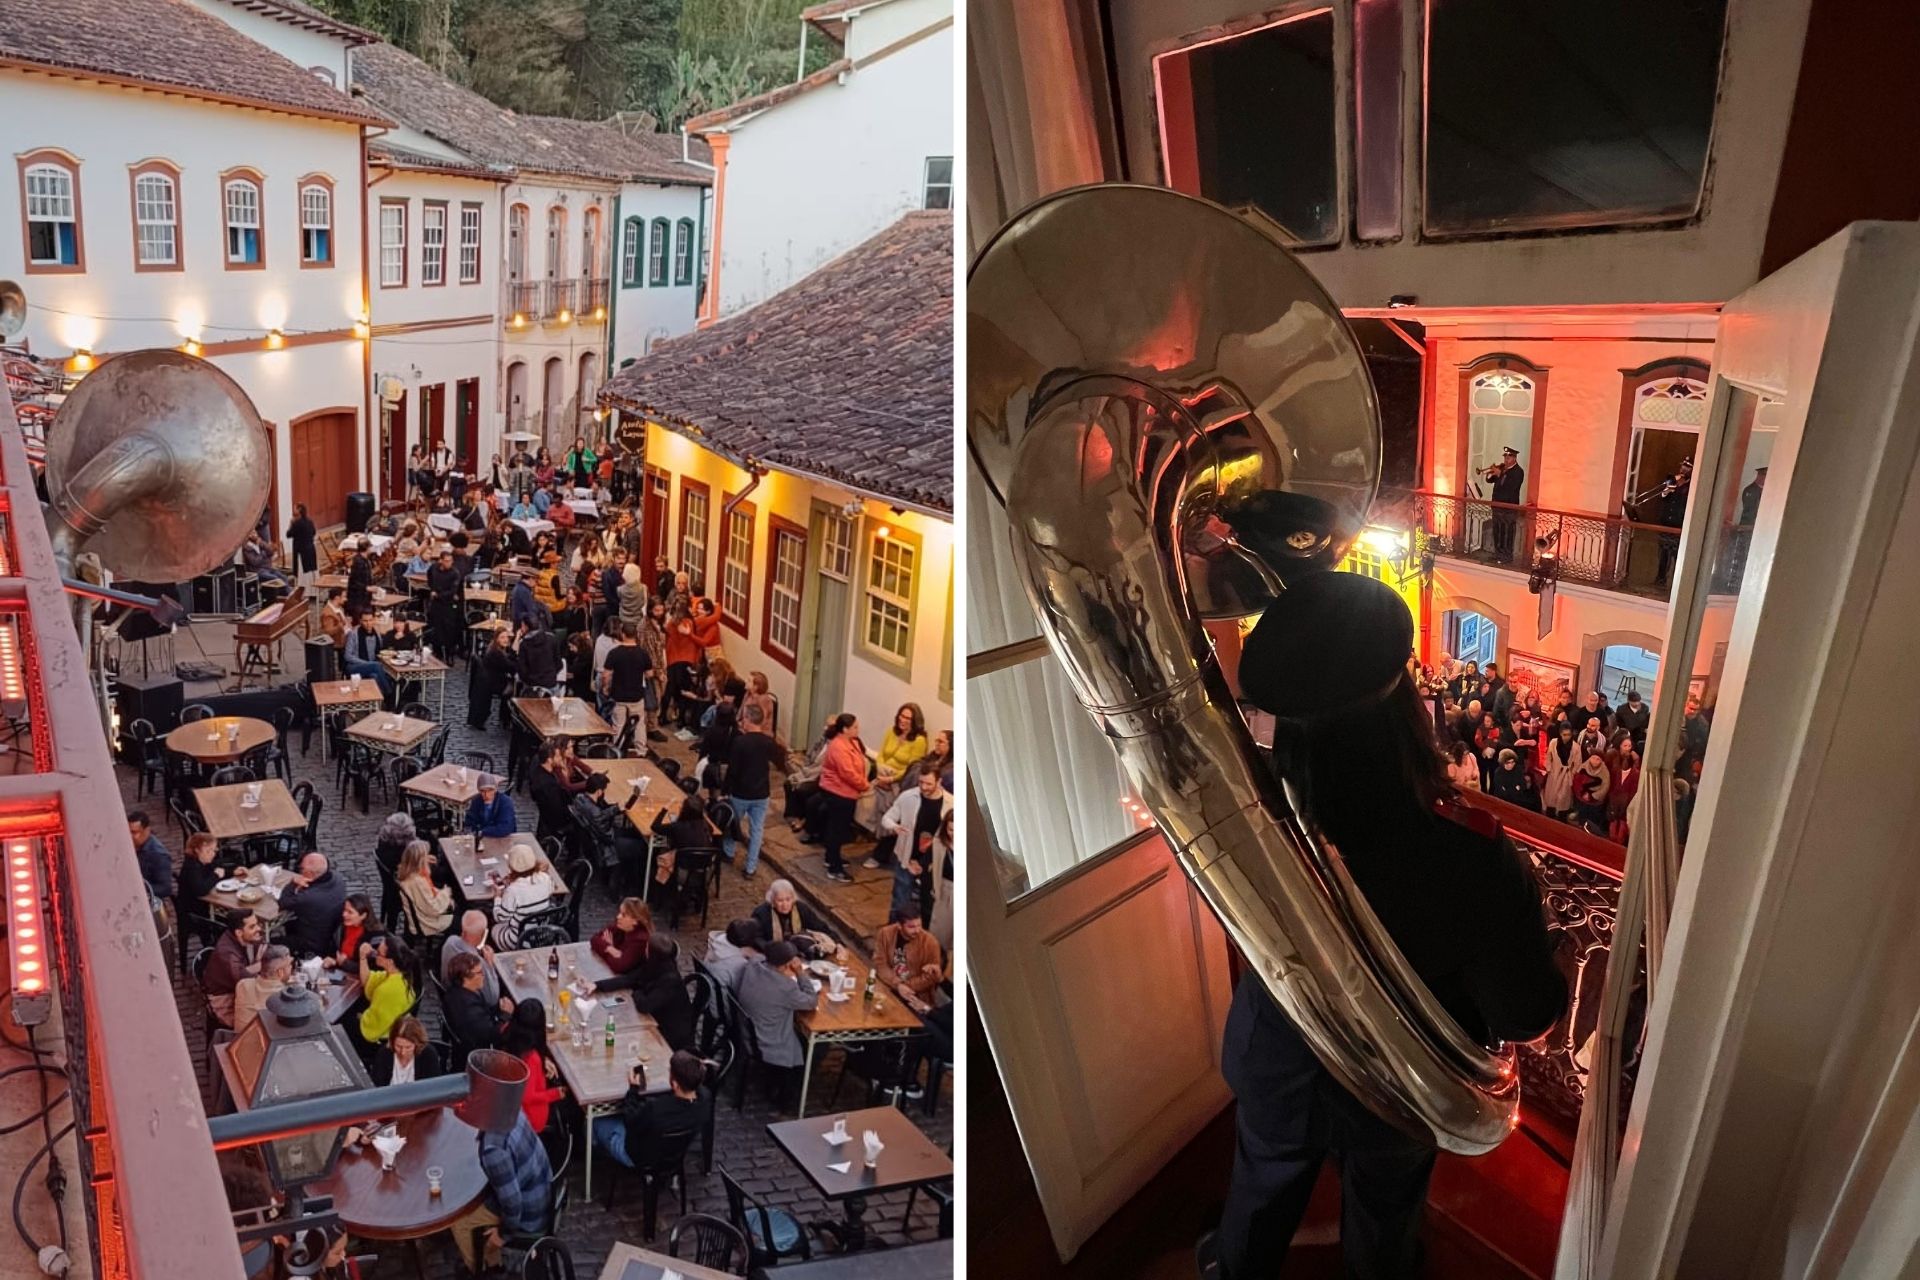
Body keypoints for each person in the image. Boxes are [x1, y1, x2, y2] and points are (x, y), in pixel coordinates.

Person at [1199, 571, 1567, 1280]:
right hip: (1398, 1091)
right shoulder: (1469, 852)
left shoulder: (1247, 822)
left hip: (1275, 1054)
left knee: (1260, 1191)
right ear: (1406, 711)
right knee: (1384, 1219)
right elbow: (1524, 1015)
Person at [451, 1106, 552, 1275]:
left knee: (459, 1220)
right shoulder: (512, 1109)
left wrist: (502, 1236)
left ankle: (481, 1270)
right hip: (541, 1191)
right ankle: (493, 1262)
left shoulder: (493, 1149)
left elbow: (513, 1204)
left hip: (529, 1214)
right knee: (485, 1194)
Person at [593, 1049, 712, 1179]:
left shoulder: (656, 1109)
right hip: (674, 1155)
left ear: (675, 1084)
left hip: (638, 1158)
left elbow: (630, 1121)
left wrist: (633, 1089)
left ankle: (594, 1155)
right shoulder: (705, 1100)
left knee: (596, 1120)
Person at [876, 763, 951, 921]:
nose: (923, 787)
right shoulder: (908, 797)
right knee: (899, 901)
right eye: (921, 782)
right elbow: (887, 818)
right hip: (906, 858)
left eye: (928, 784)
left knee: (928, 905)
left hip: (931, 863)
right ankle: (894, 930)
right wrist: (895, 827)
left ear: (939, 782)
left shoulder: (951, 803)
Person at [595, 935, 694, 1050]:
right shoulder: (655, 964)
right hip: (655, 1019)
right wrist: (597, 985)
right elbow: (630, 979)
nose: (645, 950)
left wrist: (636, 992)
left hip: (670, 1035)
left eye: (647, 948)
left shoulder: (670, 980)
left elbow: (645, 1005)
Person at [723, 702, 781, 878]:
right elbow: (778, 760)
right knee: (757, 831)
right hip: (761, 792)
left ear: (748, 719)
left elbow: (733, 770)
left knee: (732, 824)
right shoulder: (768, 742)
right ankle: (751, 867)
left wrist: (725, 790)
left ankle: (729, 852)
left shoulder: (740, 742)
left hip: (741, 792)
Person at [501, 1000, 568, 1133]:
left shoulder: (507, 1033)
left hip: (509, 1106)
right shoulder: (531, 1058)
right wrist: (556, 1093)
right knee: (573, 1109)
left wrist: (544, 1059)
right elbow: (527, 1097)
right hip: (531, 1118)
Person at [817, 713, 867, 884]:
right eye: (855, 727)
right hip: (839, 792)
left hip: (845, 791)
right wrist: (864, 785)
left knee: (837, 827)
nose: (858, 730)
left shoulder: (851, 742)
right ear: (845, 729)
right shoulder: (839, 746)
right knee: (837, 830)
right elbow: (847, 773)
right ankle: (834, 868)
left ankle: (831, 857)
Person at [354, 934, 418, 1052]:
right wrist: (362, 957)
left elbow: (371, 1029)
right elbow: (368, 981)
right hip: (389, 1028)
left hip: (381, 1040)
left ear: (389, 961)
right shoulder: (398, 975)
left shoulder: (388, 989)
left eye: (378, 953)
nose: (374, 954)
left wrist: (360, 1017)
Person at [873, 908, 943, 1011]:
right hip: (888, 984)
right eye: (911, 927)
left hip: (915, 995)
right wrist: (897, 985)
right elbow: (880, 963)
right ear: (899, 925)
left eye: (919, 925)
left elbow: (931, 976)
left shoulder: (930, 943)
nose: (917, 930)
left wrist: (905, 986)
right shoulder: (885, 934)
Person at [175, 832, 235, 953]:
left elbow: (217, 868)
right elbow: (201, 890)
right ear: (197, 850)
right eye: (208, 851)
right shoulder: (192, 867)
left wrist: (233, 872)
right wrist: (215, 876)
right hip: (195, 914)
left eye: (214, 850)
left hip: (200, 906)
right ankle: (222, 950)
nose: (213, 854)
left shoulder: (202, 862)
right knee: (232, 920)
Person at [279, 853, 347, 959]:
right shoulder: (338, 879)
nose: (300, 871)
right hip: (328, 933)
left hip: (310, 943)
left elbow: (283, 902)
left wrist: (293, 883)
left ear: (310, 874)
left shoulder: (308, 897)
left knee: (271, 944)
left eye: (301, 868)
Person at [491, 842, 557, 949]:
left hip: (518, 940)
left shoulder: (513, 890)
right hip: (541, 935)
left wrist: (497, 897)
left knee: (494, 928)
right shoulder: (545, 878)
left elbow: (500, 918)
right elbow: (550, 889)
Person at [445, 950, 511, 1053]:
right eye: (479, 973)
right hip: (479, 1051)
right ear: (466, 978)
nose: (483, 976)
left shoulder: (456, 991)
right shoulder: (469, 1007)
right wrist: (506, 1014)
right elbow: (491, 1035)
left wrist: (498, 1007)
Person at [601, 621, 653, 748]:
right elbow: (650, 674)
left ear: (622, 634)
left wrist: (605, 687)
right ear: (636, 635)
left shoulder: (614, 653)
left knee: (618, 724)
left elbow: (606, 675)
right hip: (637, 695)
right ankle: (641, 750)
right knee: (639, 725)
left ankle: (618, 749)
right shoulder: (643, 653)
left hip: (619, 696)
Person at [751, 879, 834, 954]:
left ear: (793, 898)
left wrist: (837, 942)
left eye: (788, 899)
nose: (785, 905)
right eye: (780, 900)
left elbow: (819, 925)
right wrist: (775, 951)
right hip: (771, 952)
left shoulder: (801, 908)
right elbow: (756, 938)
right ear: (772, 900)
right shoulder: (762, 913)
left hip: (796, 949)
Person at [396, 840, 455, 937]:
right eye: (425, 856)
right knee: (459, 919)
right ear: (420, 860)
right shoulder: (418, 881)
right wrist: (446, 893)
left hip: (425, 914)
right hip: (428, 922)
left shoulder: (408, 873)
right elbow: (433, 908)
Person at [233, 945, 293, 1033]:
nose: (291, 967)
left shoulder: (242, 985)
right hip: (266, 1040)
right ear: (280, 972)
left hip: (240, 1039)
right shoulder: (285, 997)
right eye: (289, 965)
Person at [371, 1015, 444, 1087]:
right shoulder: (384, 1054)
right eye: (398, 1046)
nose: (403, 1052)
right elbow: (376, 1086)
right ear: (392, 1042)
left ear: (417, 1044)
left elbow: (433, 1087)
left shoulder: (428, 1055)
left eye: (408, 1047)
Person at [469, 629, 517, 731]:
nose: (506, 640)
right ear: (496, 639)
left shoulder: (496, 649)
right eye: (502, 637)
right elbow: (510, 666)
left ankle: (504, 718)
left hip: (490, 681)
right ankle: (506, 719)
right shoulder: (495, 653)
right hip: (491, 683)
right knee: (511, 691)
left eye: (507, 637)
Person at [322, 892, 384, 970]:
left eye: (350, 912)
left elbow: (375, 967)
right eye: (344, 910)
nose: (344, 914)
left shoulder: (376, 936)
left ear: (363, 915)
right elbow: (333, 950)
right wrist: (332, 960)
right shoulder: (341, 927)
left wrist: (346, 963)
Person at [528, 744, 576, 844]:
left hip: (546, 819)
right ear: (549, 760)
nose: (560, 758)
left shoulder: (539, 772)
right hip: (555, 822)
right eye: (558, 756)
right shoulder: (549, 784)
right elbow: (558, 809)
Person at [591, 898, 652, 975]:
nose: (618, 917)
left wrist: (604, 950)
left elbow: (619, 966)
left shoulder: (640, 940)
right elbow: (594, 939)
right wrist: (609, 948)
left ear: (635, 921)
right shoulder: (620, 926)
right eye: (619, 912)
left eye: (624, 915)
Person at [126, 811, 174, 906]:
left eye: (134, 832)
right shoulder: (130, 844)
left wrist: (138, 889)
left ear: (147, 830)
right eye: (128, 832)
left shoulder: (158, 855)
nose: (129, 836)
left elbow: (165, 888)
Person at [1487, 445, 1525, 562]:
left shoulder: (1518, 471)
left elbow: (1511, 487)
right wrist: (1491, 472)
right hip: (1497, 506)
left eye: (1508, 458)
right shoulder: (1503, 468)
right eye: (1505, 458)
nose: (1505, 460)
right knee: (1497, 531)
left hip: (1509, 508)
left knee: (1507, 532)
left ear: (1514, 458)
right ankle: (1497, 553)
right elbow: (1489, 480)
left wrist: (1500, 474)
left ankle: (1507, 556)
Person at [704, 919, 763, 992]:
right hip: (722, 996)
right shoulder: (741, 964)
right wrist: (757, 957)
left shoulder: (718, 940)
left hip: (707, 988)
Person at [928, 811, 955, 948]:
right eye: (951, 829)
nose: (954, 834)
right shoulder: (939, 844)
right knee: (939, 931)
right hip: (945, 889)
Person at [1541, 725, 1579, 820]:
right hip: (1554, 773)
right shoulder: (1553, 743)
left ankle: (1562, 819)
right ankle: (1549, 817)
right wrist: (1549, 768)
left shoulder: (1576, 747)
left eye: (1569, 734)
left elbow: (1577, 763)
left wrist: (1571, 774)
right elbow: (1548, 756)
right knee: (1551, 798)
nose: (1567, 737)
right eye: (1564, 735)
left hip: (1566, 775)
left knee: (1563, 799)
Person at [285, 503, 318, 583]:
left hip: (301, 552)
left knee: (302, 573)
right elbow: (314, 532)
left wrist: (291, 524)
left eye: (295, 508)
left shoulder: (296, 523)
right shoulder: (309, 521)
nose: (293, 510)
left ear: (299, 510)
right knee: (311, 572)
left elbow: (288, 534)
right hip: (310, 549)